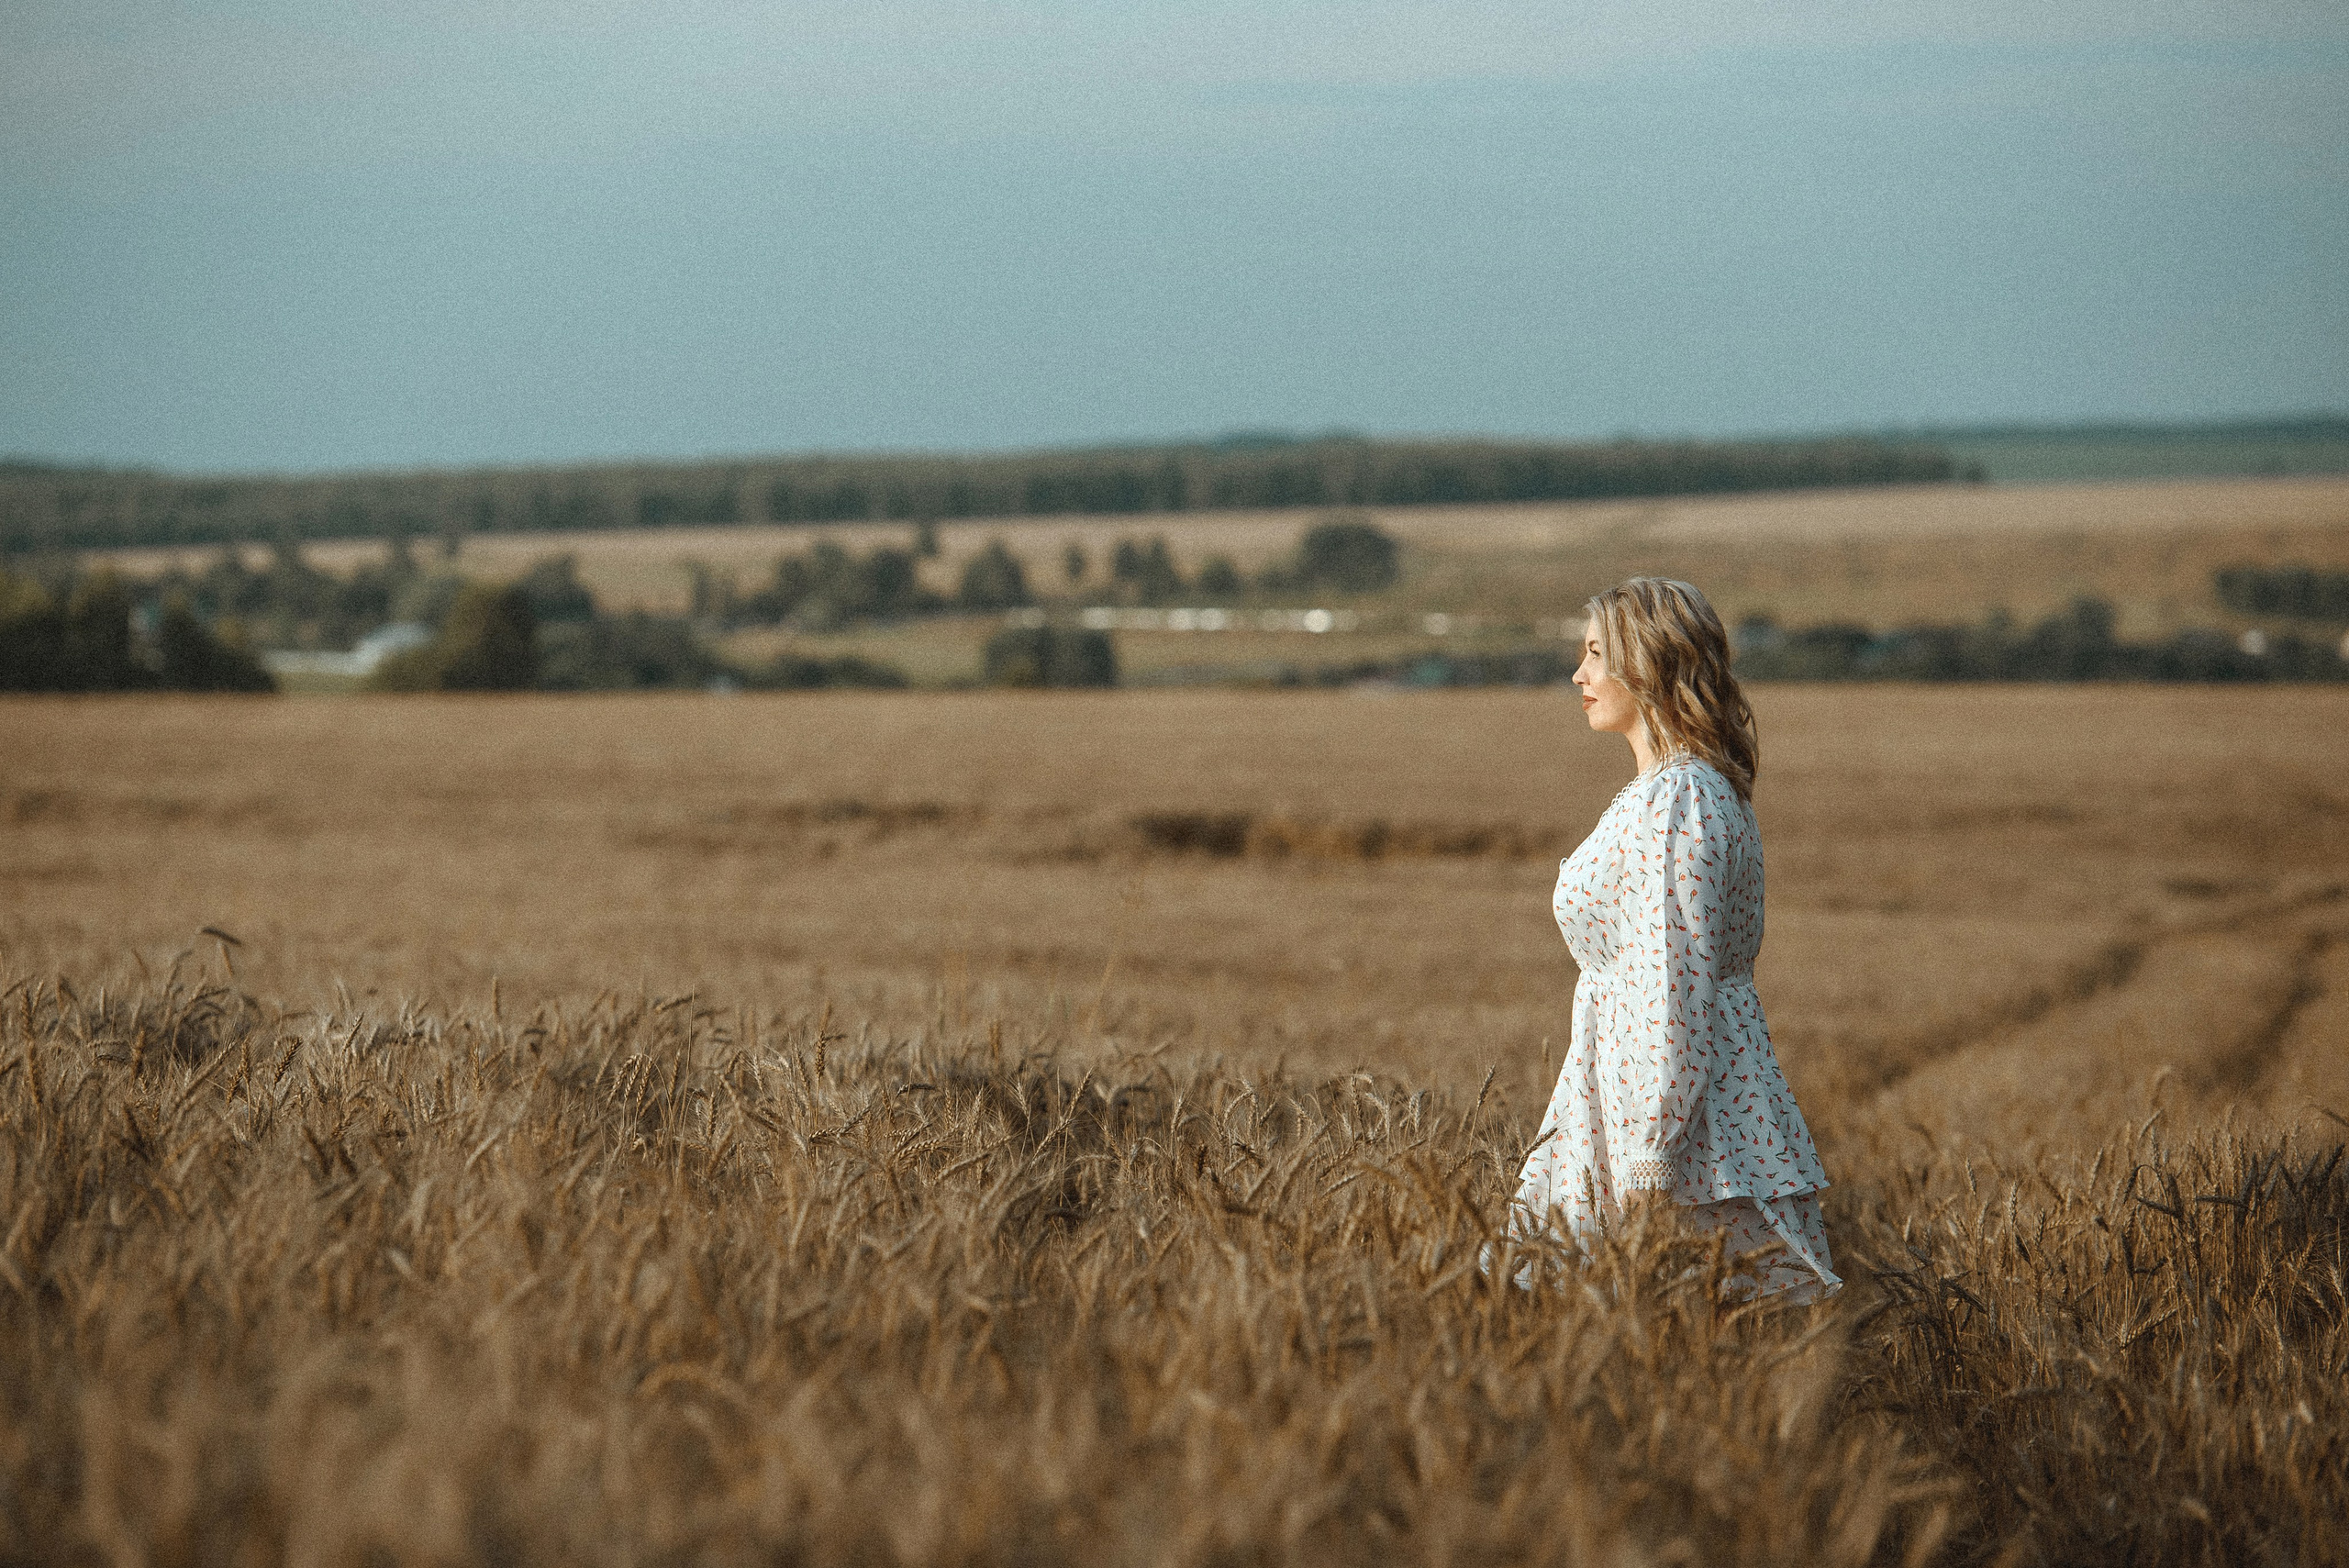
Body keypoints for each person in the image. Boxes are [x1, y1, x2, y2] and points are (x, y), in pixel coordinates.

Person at [1507, 576, 1839, 1301]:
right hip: (1649, 1103)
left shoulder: (1679, 800)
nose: (1580, 674)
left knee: (1677, 1334)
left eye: (1596, 654)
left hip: (1675, 1128)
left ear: (1647, 663)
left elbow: (1672, 979)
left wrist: (1649, 1157)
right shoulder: (1689, 789)